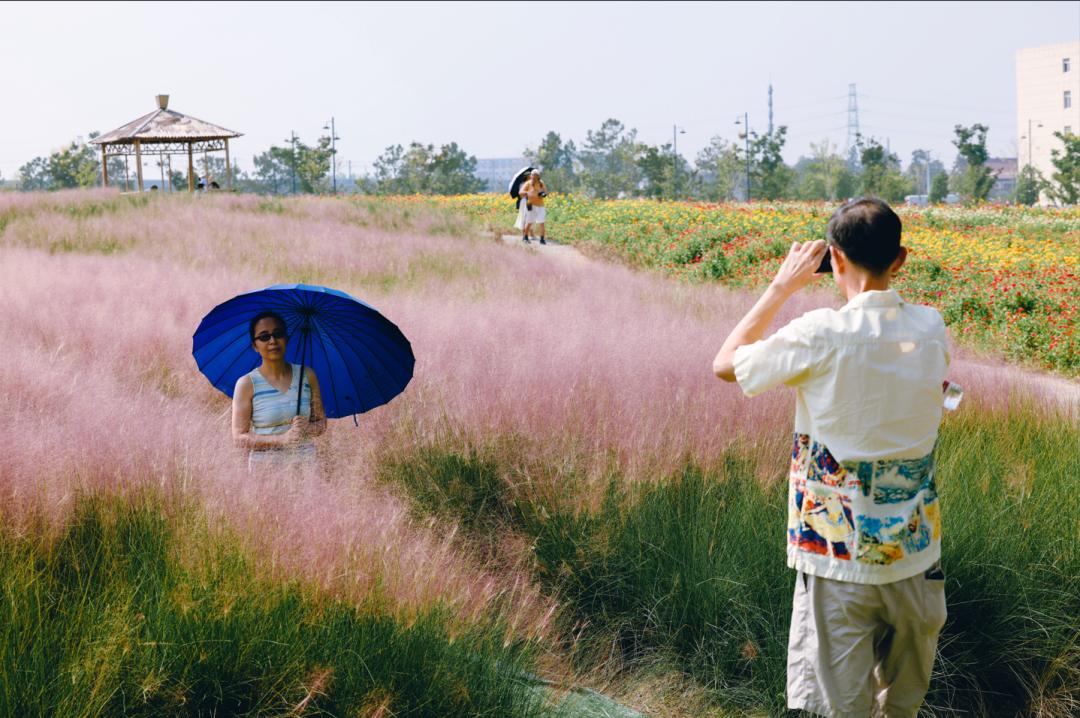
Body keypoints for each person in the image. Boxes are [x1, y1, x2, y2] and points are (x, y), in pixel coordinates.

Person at [712, 197, 951, 717]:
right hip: (915, 558)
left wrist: (781, 286)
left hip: (838, 560)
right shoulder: (931, 329)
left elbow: (726, 364)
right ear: (900, 259)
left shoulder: (821, 333)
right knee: (901, 708)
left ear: (834, 259)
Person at [232, 310, 327, 474]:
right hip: (266, 475)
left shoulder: (308, 375)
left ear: (286, 338)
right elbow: (239, 438)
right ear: (255, 345)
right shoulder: (246, 384)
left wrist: (307, 429)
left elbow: (321, 423)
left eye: (278, 334)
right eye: (264, 336)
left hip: (306, 471)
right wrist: (281, 440)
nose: (273, 341)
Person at [519, 169, 548, 245]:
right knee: (529, 222)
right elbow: (520, 192)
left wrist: (542, 194)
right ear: (531, 176)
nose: (534, 177)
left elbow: (545, 192)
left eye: (536, 176)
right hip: (531, 204)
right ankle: (525, 237)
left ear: (538, 176)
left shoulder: (541, 183)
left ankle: (542, 239)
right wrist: (528, 193)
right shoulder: (528, 183)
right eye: (532, 175)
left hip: (540, 205)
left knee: (542, 222)